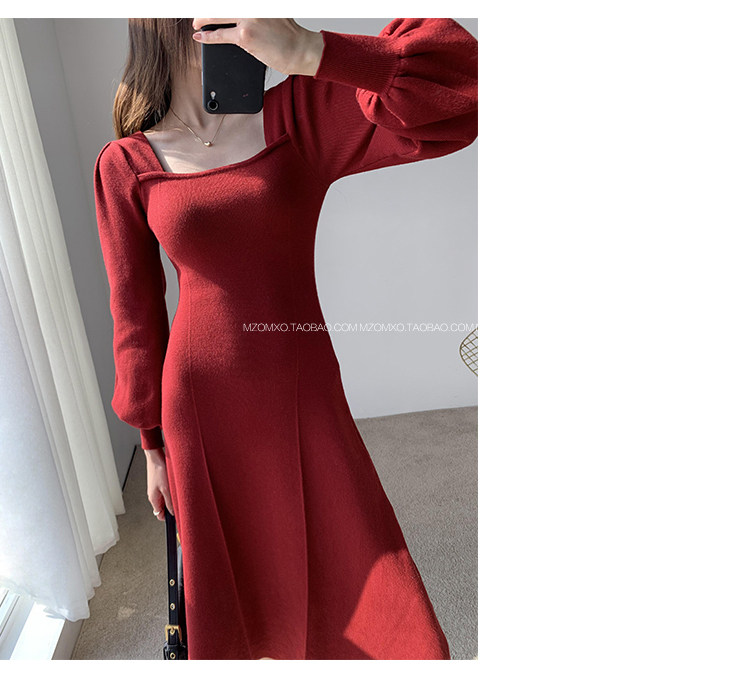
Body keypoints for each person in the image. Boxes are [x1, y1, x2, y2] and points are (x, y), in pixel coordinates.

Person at [93, 17, 477, 660]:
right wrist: (152, 444)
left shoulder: (298, 115)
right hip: (201, 406)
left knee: (369, 577)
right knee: (235, 597)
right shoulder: (126, 163)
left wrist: (310, 50)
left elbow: (464, 89)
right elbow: (134, 315)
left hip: (303, 385)